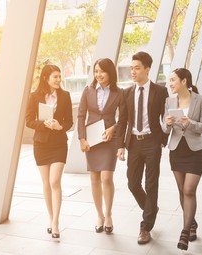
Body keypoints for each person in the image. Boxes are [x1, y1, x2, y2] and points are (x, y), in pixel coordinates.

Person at [116, 51, 168, 244]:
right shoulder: (126, 93)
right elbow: (122, 122)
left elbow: (167, 116)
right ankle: (151, 208)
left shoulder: (160, 91)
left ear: (147, 69)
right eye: (131, 68)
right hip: (134, 144)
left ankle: (145, 227)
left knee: (151, 184)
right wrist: (120, 145)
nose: (133, 71)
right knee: (132, 183)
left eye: (137, 68)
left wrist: (163, 139)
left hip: (152, 142)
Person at [162, 68, 202, 250]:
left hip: (195, 151)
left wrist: (190, 123)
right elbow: (165, 129)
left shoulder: (201, 100)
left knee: (189, 190)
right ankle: (192, 223)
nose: (170, 84)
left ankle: (184, 232)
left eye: (173, 80)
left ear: (184, 81)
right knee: (182, 190)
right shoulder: (169, 100)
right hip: (176, 150)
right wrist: (166, 124)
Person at [25, 64, 73, 239]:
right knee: (46, 183)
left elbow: (69, 121)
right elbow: (29, 121)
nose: (59, 80)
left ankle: (56, 223)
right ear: (46, 78)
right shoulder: (34, 96)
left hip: (59, 144)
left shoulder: (65, 96)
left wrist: (60, 126)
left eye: (60, 76)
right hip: (41, 144)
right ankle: (51, 218)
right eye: (55, 77)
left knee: (54, 182)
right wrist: (43, 124)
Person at [77, 58, 124, 234]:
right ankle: (99, 215)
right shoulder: (87, 90)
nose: (98, 75)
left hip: (109, 140)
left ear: (110, 72)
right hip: (92, 140)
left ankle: (109, 214)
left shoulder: (119, 93)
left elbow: (125, 118)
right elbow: (81, 115)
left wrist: (114, 128)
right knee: (94, 178)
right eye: (96, 71)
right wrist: (82, 138)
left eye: (101, 71)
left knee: (106, 178)